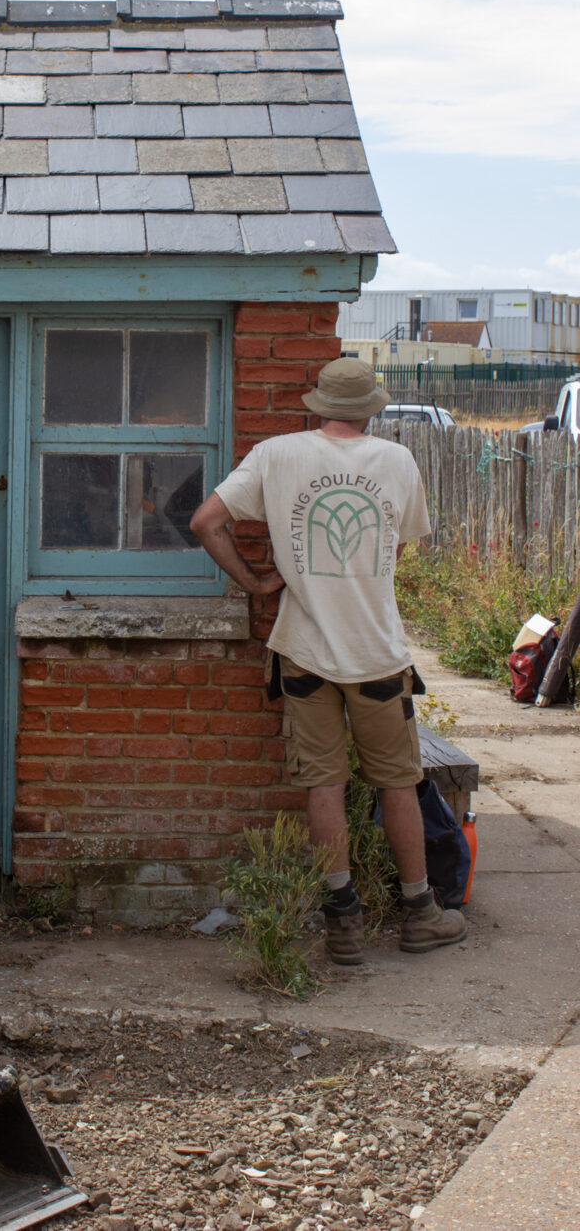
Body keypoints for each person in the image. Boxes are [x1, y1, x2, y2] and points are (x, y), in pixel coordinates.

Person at [190, 357, 467, 962]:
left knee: (323, 785)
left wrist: (256, 584)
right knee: (398, 783)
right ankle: (420, 913)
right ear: (371, 407)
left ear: (317, 405)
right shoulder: (396, 461)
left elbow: (205, 522)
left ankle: (343, 921)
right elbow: (400, 544)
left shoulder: (276, 454)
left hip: (305, 653)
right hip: (376, 655)